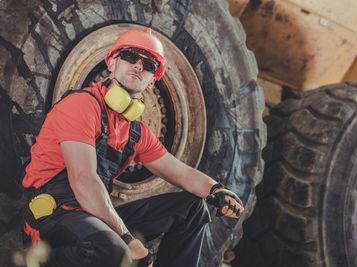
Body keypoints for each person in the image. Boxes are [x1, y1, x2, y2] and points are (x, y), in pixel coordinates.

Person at [21, 27, 244, 267]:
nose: (138, 65)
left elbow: (180, 172)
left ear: (152, 81)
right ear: (112, 62)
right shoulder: (82, 106)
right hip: (53, 218)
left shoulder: (135, 133)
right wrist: (127, 238)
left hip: (94, 215)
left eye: (148, 64)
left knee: (192, 209)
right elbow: (83, 179)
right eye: (130, 56)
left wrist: (217, 190)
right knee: (113, 250)